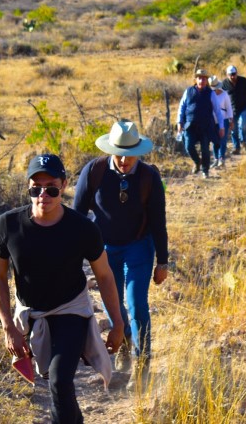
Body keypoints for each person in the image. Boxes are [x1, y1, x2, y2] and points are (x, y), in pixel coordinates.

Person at [0, 154, 125, 424]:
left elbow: (105, 276)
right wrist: (8, 326)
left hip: (71, 309)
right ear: (28, 187)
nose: (44, 195)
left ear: (63, 186)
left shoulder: (83, 228)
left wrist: (118, 322)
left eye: (51, 187)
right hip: (31, 311)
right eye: (35, 188)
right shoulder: (8, 225)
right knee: (58, 387)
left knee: (60, 380)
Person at [71, 120, 168, 393]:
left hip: (139, 246)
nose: (124, 159)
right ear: (110, 149)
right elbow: (78, 216)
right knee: (115, 307)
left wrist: (162, 261)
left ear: (139, 150)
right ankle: (124, 341)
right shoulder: (95, 171)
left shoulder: (149, 176)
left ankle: (142, 365)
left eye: (129, 153)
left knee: (136, 303)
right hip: (102, 251)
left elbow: (158, 221)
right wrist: (72, 257)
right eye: (118, 152)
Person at [177, 68, 224, 178]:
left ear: (206, 80)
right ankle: (197, 162)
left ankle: (205, 171)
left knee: (205, 149)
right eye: (199, 78)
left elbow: (217, 110)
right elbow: (182, 107)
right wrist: (179, 122)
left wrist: (221, 126)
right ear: (196, 79)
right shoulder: (188, 91)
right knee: (188, 146)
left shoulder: (211, 93)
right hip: (190, 125)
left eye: (204, 79)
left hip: (206, 126)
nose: (201, 81)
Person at [222, 65, 246, 155]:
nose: (232, 76)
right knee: (234, 129)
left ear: (237, 73)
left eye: (234, 74)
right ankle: (236, 147)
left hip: (243, 107)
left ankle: (243, 141)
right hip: (231, 110)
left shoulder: (243, 81)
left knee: (242, 125)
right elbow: (221, 96)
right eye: (230, 75)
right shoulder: (224, 84)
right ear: (227, 75)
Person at [209, 76, 232, 168]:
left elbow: (229, 108)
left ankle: (221, 158)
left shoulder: (224, 94)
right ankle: (215, 158)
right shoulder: (209, 94)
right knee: (214, 140)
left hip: (224, 119)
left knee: (223, 139)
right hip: (212, 120)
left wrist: (231, 119)